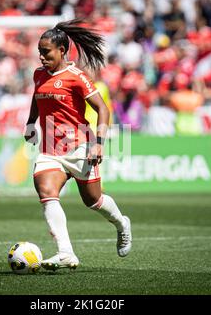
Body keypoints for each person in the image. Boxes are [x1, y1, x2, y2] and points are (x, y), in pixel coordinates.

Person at [24, 19, 132, 271]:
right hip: (50, 150)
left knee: (93, 201)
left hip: (80, 147)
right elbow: (37, 98)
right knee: (46, 192)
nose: (41, 57)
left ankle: (122, 224)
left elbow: (102, 109)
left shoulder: (76, 77)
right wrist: (31, 123)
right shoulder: (39, 74)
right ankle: (65, 253)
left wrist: (99, 143)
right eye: (39, 52)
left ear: (61, 50)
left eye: (46, 52)